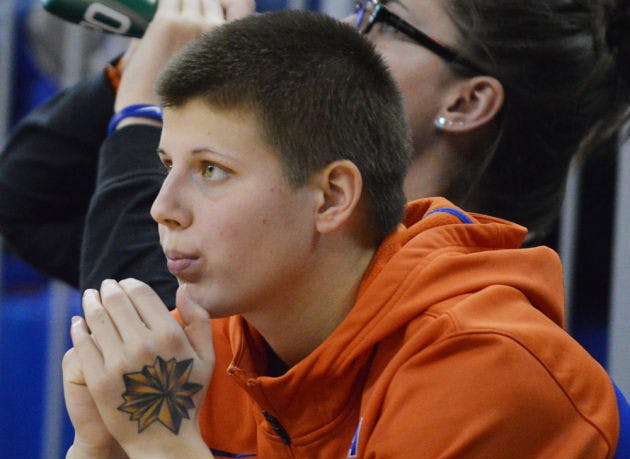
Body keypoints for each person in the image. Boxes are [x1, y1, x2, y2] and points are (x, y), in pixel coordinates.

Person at [7, 8, 630, 459]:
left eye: (211, 170)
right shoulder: (210, 348)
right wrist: (98, 456)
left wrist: (169, 449)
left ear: (332, 197)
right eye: (166, 163)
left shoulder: (486, 366)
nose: (160, 206)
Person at [0, 0, 628, 307]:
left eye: (384, 20)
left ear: (465, 104)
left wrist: (146, 114)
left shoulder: (454, 313)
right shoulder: (302, 240)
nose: (342, 33)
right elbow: (31, 201)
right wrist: (159, 56)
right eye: (358, 8)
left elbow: (150, 349)